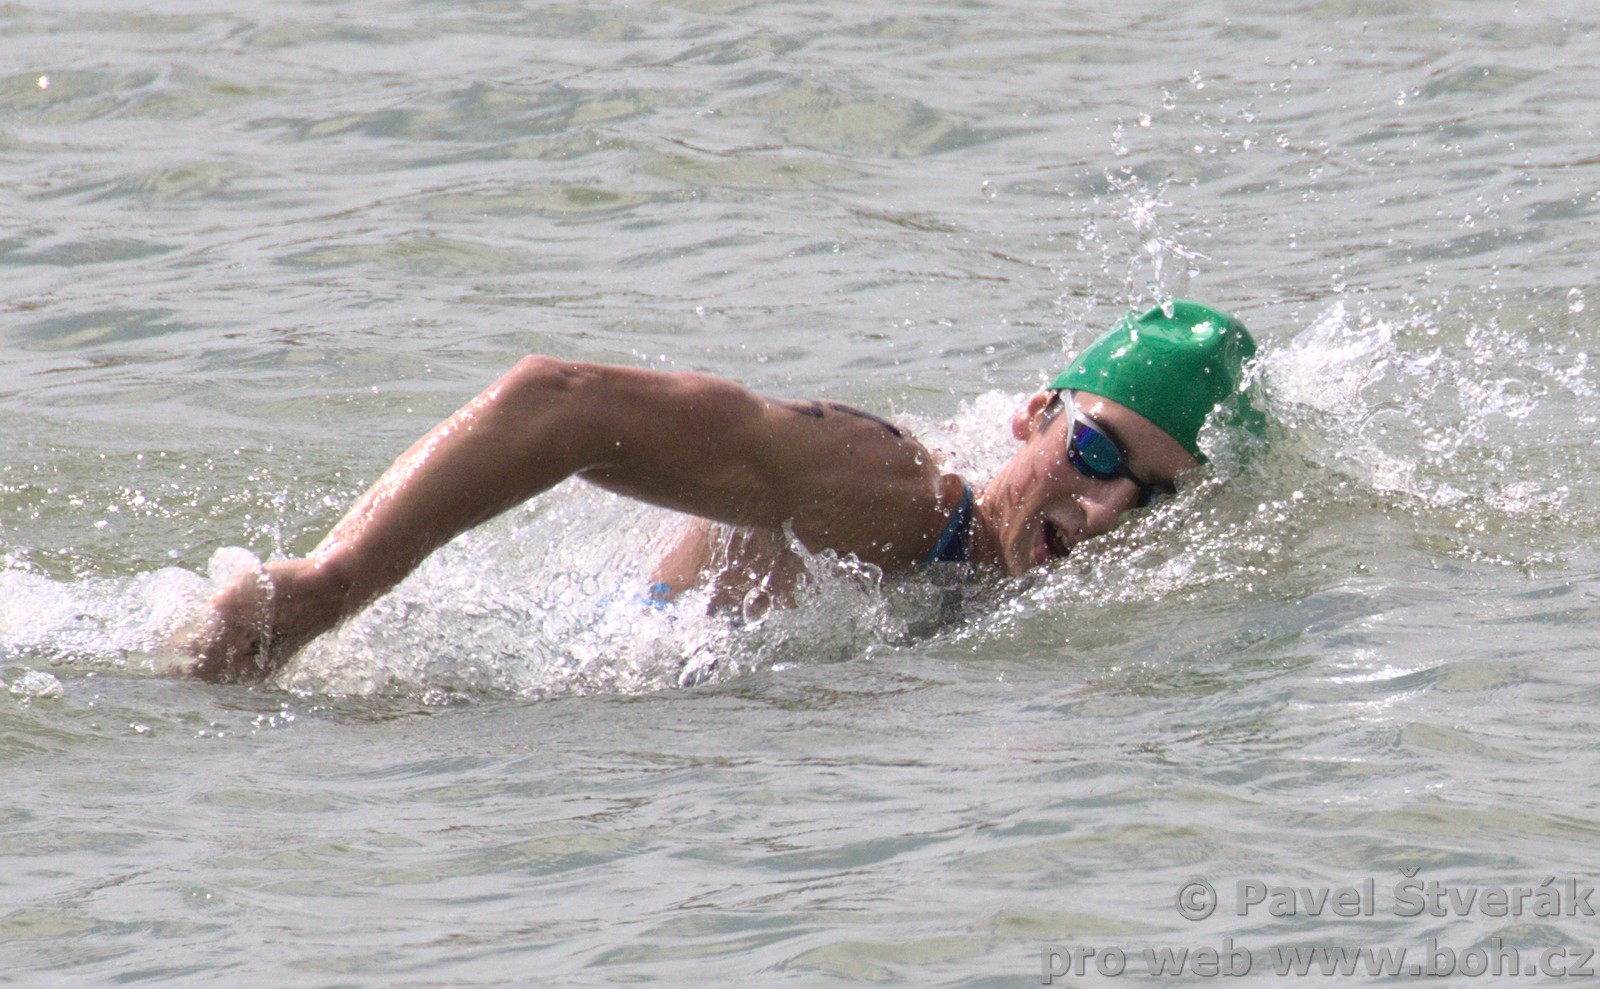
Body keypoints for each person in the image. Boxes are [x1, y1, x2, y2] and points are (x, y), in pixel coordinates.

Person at [180, 300, 1258, 682]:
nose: (1107, 511)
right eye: (1098, 452)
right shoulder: (892, 494)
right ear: (1033, 414)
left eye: (1156, 497)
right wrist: (329, 587)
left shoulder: (1029, 588)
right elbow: (559, 400)